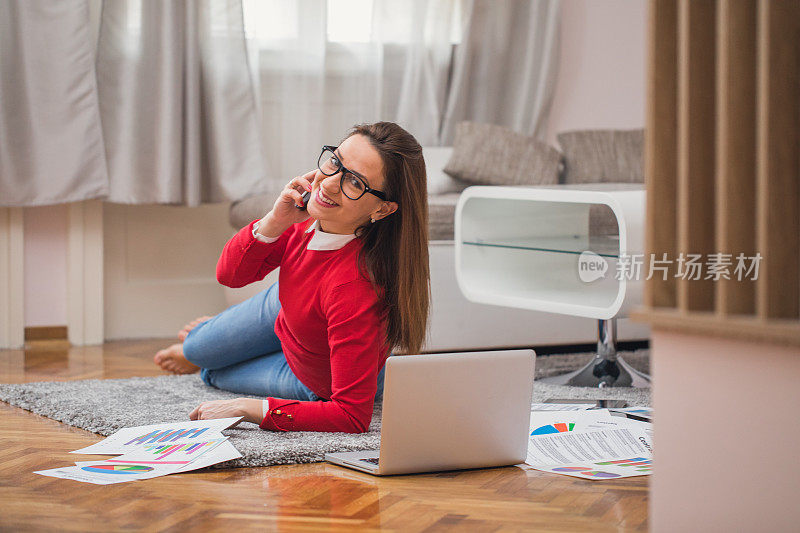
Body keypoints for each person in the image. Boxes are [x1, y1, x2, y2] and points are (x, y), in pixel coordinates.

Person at [153, 122, 430, 433]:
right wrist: (275, 219)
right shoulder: (309, 214)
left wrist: (249, 408)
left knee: (212, 374)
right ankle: (206, 342)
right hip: (287, 309)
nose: (328, 184)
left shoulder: (354, 290)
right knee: (196, 347)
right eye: (335, 162)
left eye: (354, 182)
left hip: (312, 375)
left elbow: (351, 416)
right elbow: (229, 276)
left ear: (383, 209)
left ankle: (214, 346)